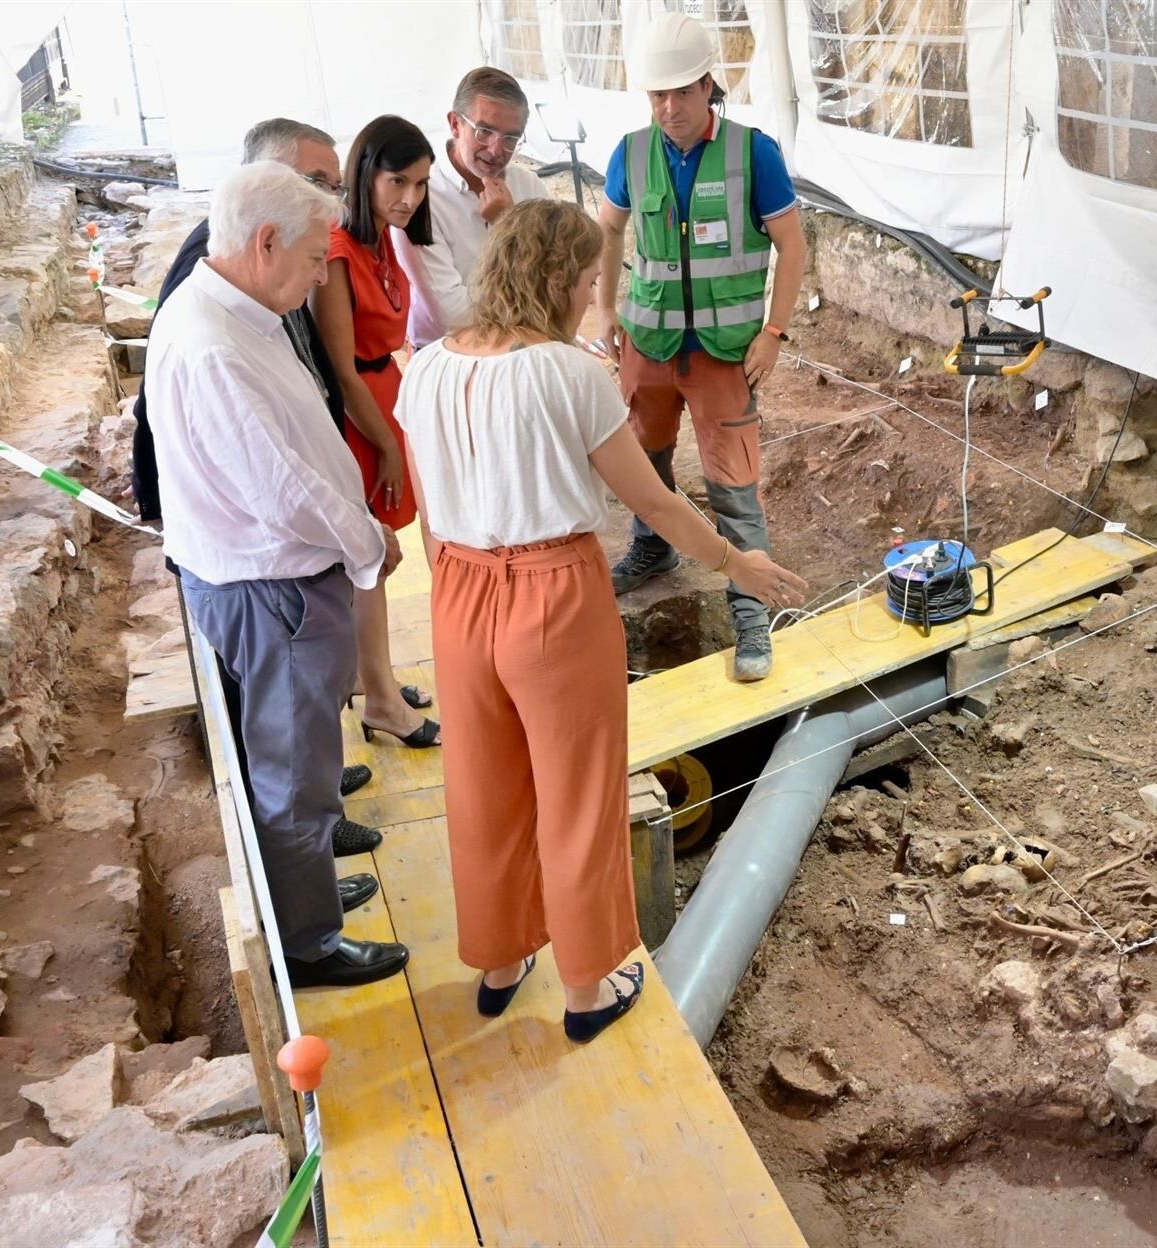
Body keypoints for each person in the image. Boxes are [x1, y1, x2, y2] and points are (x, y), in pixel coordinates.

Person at [396, 199, 807, 1042]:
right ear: (556, 278)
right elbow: (652, 501)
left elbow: (431, 515)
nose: (593, 296)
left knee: (484, 786)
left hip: (459, 592)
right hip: (554, 592)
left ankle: (500, 963)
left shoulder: (424, 367)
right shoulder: (572, 375)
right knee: (580, 793)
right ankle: (587, 988)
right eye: (589, 281)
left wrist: (458, 591)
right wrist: (737, 563)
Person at [148, 161, 409, 990]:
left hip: (269, 582)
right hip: (274, 591)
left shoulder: (231, 312)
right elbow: (282, 491)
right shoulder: (216, 348)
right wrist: (365, 544)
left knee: (298, 754)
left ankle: (307, 886)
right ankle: (308, 941)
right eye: (313, 258)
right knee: (291, 776)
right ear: (265, 243)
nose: (320, 276)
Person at [596, 10, 807, 683]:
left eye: (682, 92)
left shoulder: (753, 153)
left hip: (724, 353)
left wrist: (774, 332)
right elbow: (608, 231)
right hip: (649, 344)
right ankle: (652, 546)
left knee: (734, 485)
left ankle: (751, 609)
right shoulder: (631, 153)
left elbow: (793, 245)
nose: (669, 108)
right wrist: (605, 308)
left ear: (708, 85)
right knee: (644, 459)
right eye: (657, 94)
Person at [314, 115, 441, 749]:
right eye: (398, 181)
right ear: (365, 174)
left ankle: (374, 679)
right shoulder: (339, 248)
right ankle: (382, 702)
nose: (409, 198)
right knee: (369, 558)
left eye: (420, 184)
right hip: (358, 414)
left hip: (385, 397)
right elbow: (342, 369)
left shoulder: (381, 239)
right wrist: (388, 445)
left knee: (379, 560)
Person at [398, 67, 549, 348]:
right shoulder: (420, 199)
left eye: (511, 138)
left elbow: (557, 279)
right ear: (455, 124)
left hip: (524, 347)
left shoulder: (529, 186)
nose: (496, 150)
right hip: (450, 355)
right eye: (485, 131)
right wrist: (508, 228)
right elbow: (453, 316)